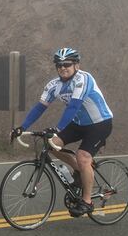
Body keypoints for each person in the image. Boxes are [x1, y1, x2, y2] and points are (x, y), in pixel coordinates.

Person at [11, 48, 113, 217]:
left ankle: (87, 201)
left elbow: (74, 106)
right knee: (51, 145)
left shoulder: (83, 79)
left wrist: (58, 129)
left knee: (83, 156)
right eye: (59, 65)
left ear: (76, 65)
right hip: (78, 124)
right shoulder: (54, 85)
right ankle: (79, 171)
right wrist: (22, 127)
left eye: (67, 64)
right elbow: (40, 107)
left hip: (99, 123)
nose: (63, 68)